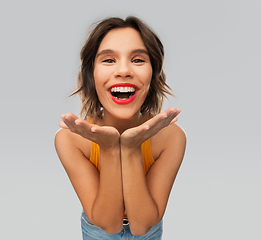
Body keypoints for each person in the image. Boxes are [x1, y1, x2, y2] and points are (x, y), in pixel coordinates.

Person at [55, 16, 186, 239]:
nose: (123, 70)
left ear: (153, 74)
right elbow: (109, 224)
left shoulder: (171, 137)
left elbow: (142, 226)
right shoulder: (70, 139)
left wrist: (131, 147)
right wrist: (109, 148)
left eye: (137, 60)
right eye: (108, 60)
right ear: (91, 74)